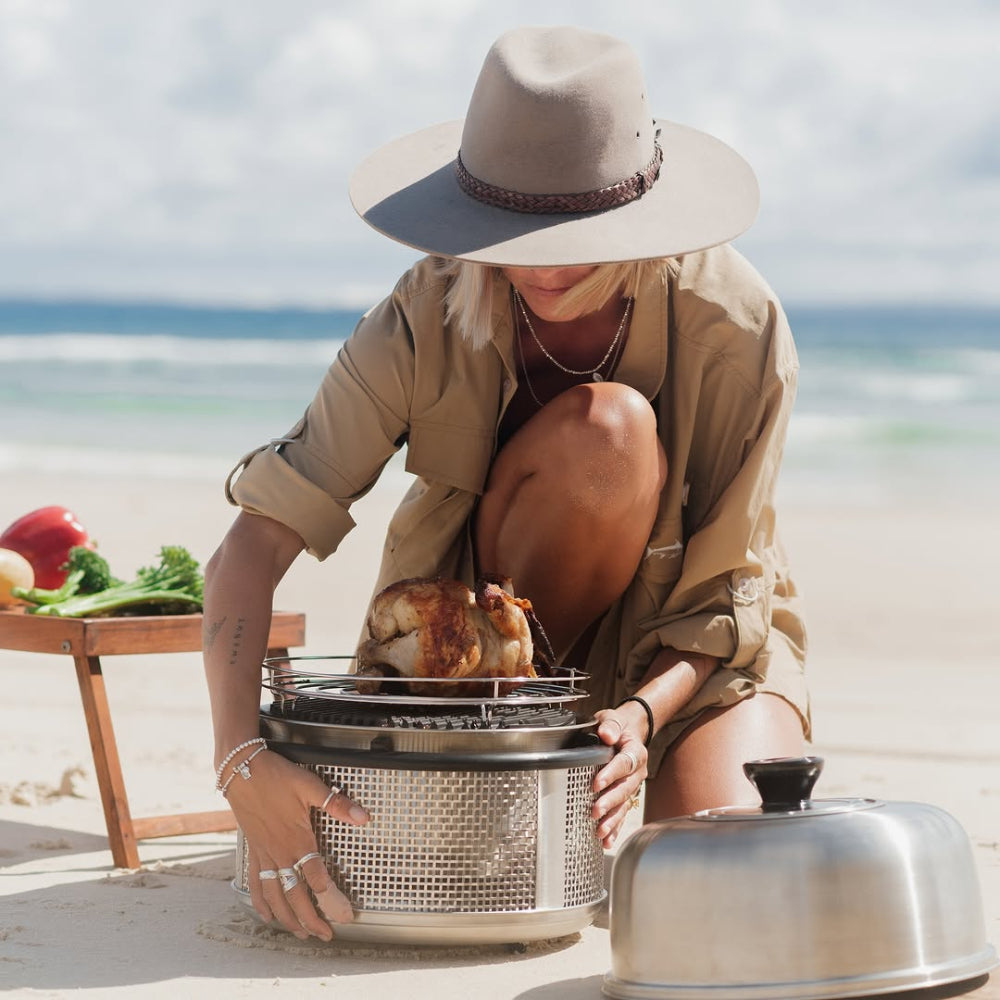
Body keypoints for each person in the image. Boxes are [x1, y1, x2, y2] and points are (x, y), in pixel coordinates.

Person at [203, 24, 810, 942]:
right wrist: (239, 756)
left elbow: (733, 595)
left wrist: (643, 719)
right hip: (474, 676)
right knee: (608, 432)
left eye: (579, 230)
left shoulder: (737, 324)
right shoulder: (423, 312)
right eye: (515, 230)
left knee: (727, 901)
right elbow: (255, 542)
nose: (545, 264)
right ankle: (513, 763)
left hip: (694, 657)